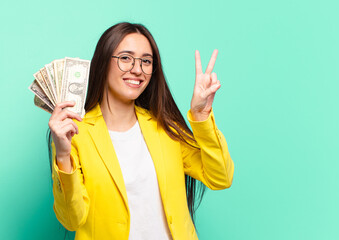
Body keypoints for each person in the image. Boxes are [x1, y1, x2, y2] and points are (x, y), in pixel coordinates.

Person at [47, 22, 234, 240]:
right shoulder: (75, 133)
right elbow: (72, 220)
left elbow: (220, 177)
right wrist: (62, 155)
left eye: (146, 61)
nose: (137, 69)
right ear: (103, 62)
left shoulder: (165, 127)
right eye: (125, 58)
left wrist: (201, 115)